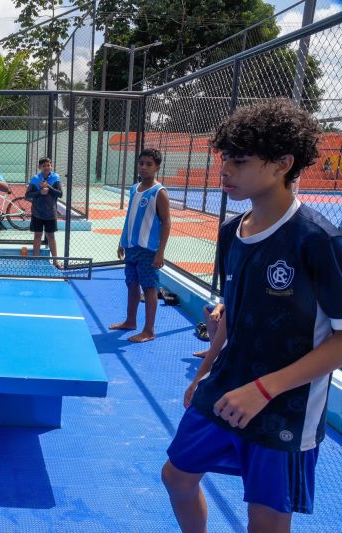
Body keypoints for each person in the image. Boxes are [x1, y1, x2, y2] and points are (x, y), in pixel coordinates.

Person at [161, 101, 342, 533]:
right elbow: (233, 316)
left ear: (283, 164)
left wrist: (265, 389)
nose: (225, 170)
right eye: (225, 158)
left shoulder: (318, 240)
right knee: (176, 477)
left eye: (239, 161)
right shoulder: (230, 232)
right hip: (225, 386)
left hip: (285, 405)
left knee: (265, 520)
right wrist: (203, 372)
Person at [108, 148, 171, 343]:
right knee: (132, 284)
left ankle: (149, 330)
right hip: (131, 247)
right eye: (141, 163)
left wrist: (160, 252)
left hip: (148, 250)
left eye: (148, 164)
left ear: (157, 167)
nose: (143, 167)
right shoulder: (134, 188)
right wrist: (122, 241)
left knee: (149, 287)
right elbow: (130, 218)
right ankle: (130, 320)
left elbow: (166, 223)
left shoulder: (159, 192)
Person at [24, 157, 62, 263]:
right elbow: (27, 195)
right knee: (37, 235)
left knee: (51, 236)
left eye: (48, 165)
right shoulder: (35, 179)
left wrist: (48, 187)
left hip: (51, 213)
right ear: (39, 167)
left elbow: (60, 194)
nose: (46, 167)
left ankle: (55, 261)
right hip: (37, 213)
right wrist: (40, 192)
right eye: (44, 165)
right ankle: (35, 260)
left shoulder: (56, 178)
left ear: (51, 166)